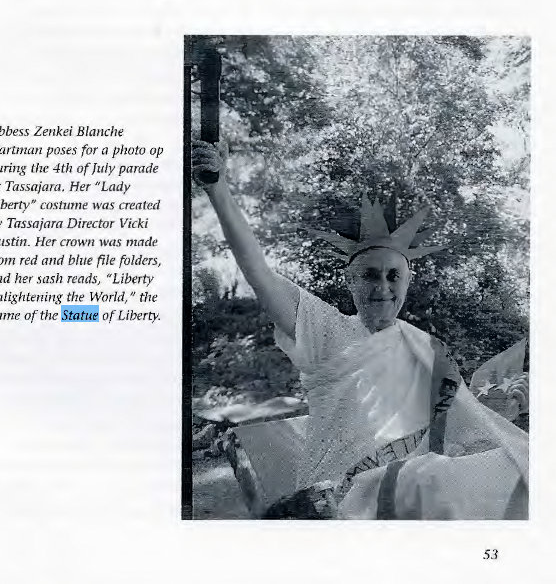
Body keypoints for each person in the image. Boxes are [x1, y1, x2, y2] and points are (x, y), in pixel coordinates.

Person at [192, 140, 529, 520]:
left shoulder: (427, 348)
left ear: (407, 281)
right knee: (441, 478)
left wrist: (501, 412)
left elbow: (457, 431)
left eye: (393, 275)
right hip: (337, 496)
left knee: (524, 461)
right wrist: (219, 190)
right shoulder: (324, 329)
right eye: (369, 275)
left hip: (411, 491)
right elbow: (258, 272)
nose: (382, 287)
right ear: (349, 280)